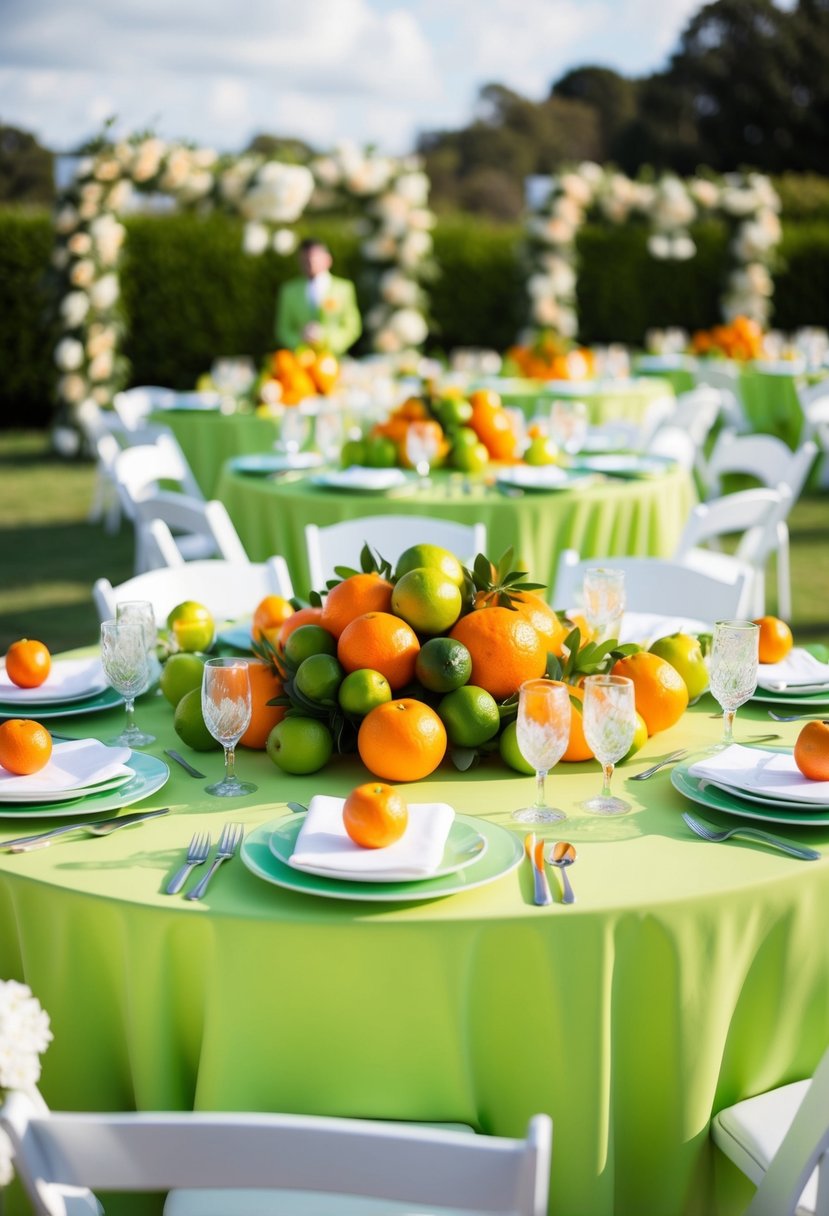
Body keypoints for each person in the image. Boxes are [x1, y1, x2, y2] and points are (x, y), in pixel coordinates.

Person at [275, 238, 362, 356]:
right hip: (301, 360)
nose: (309, 262)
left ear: (327, 259)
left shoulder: (343, 288)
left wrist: (324, 337)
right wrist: (302, 341)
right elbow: (283, 329)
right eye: (305, 259)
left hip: (334, 358)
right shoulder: (289, 291)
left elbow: (352, 327)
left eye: (313, 257)